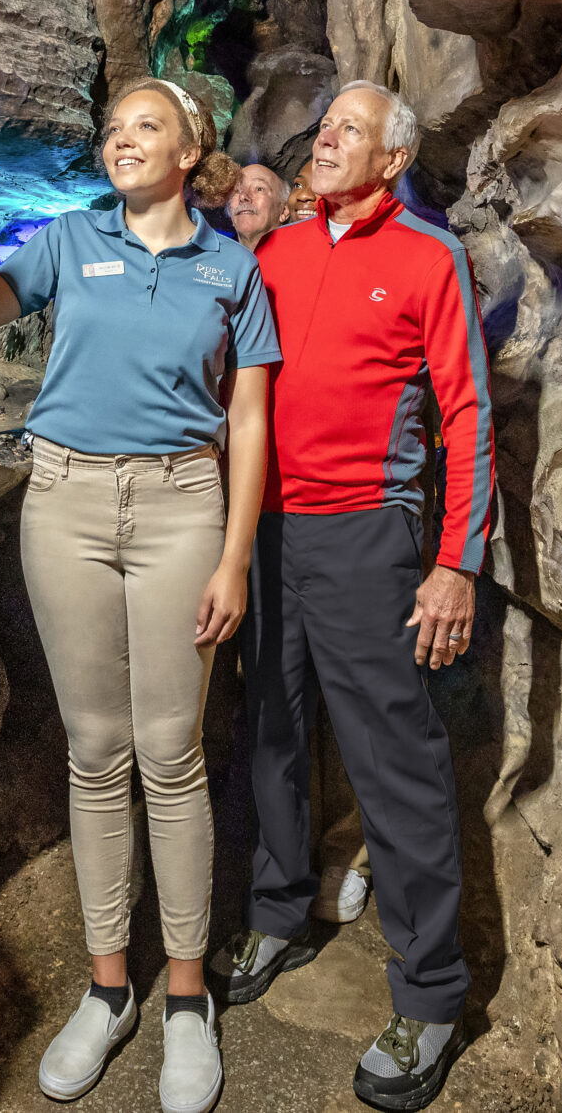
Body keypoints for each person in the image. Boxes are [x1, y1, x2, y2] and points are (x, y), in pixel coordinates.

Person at [0, 80, 278, 1113]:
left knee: (170, 755)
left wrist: (232, 557)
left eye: (146, 127)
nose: (121, 139)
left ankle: (185, 999)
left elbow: (251, 424)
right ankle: (107, 985)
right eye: (114, 128)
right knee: (95, 753)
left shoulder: (232, 268)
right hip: (66, 503)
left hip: (181, 508)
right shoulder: (66, 239)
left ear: (189, 152)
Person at [214, 80, 493, 1112]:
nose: (323, 141)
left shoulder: (429, 257)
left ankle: (429, 996)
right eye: (323, 127)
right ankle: (280, 914)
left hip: (369, 538)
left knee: (395, 758)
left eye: (348, 133)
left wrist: (455, 561)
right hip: (267, 528)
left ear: (390, 158)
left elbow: (465, 414)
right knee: (274, 731)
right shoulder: (275, 254)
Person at [224, 156, 374, 923]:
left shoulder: (309, 265)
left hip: (339, 515)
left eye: (262, 188)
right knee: (272, 702)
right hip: (255, 519)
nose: (244, 197)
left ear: (293, 205)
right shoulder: (221, 273)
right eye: (236, 190)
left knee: (343, 702)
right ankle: (276, 869)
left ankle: (348, 844)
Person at [226, 162, 287, 251]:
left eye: (259, 189)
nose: (243, 197)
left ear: (284, 210)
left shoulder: (301, 260)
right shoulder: (213, 262)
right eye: (237, 190)